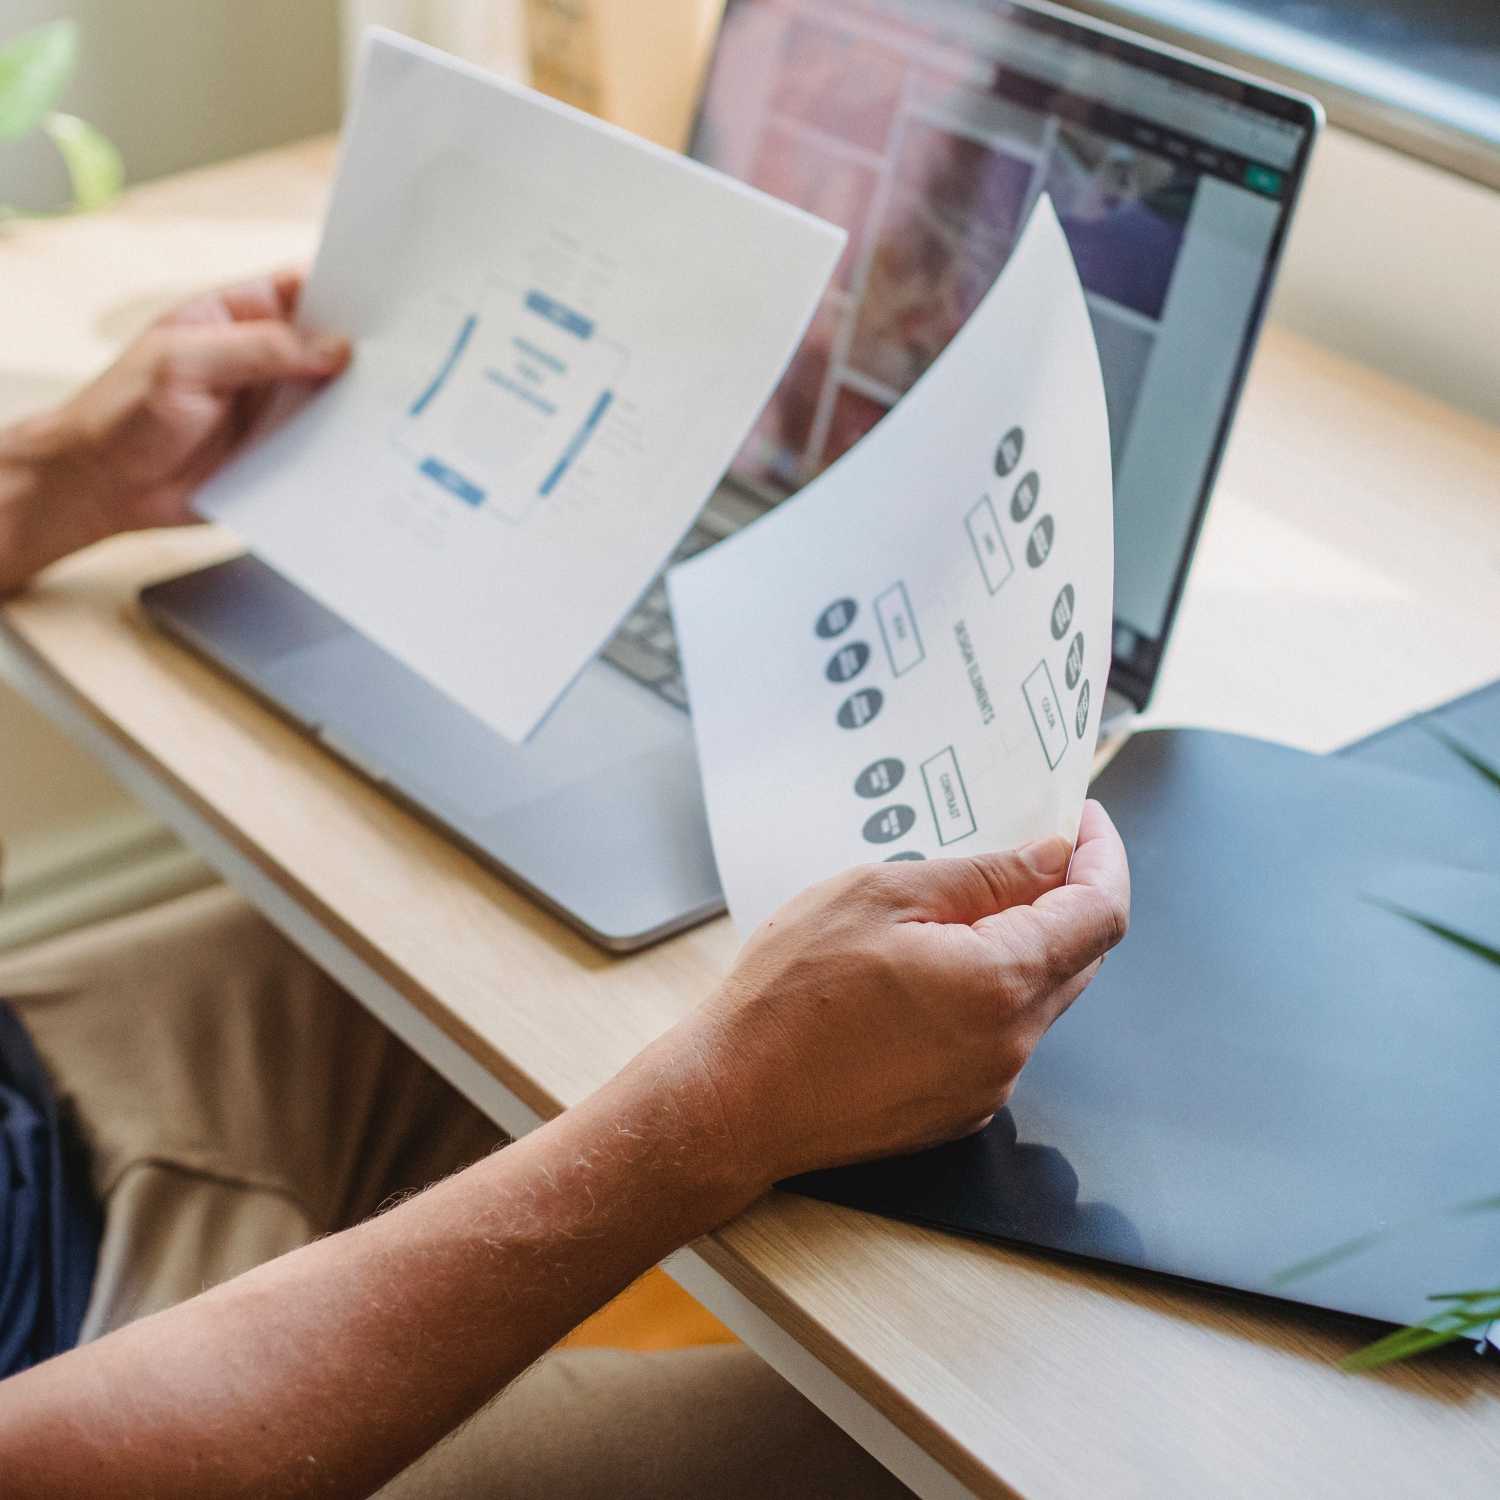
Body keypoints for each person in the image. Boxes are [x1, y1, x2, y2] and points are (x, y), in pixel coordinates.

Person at [0, 273, 1130, 1498]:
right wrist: (716, 1115)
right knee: (965, 1446)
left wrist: (43, 479)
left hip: (29, 1100)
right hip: (88, 1405)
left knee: (518, 938)